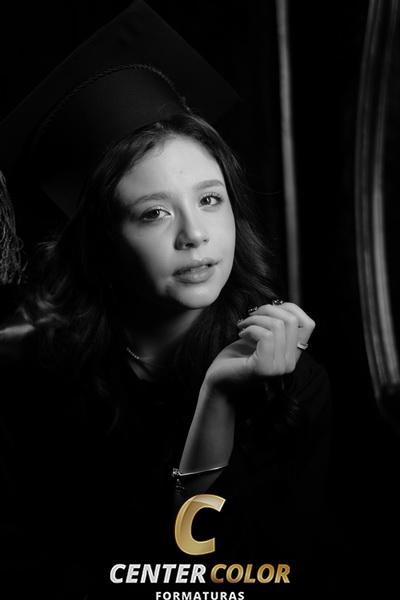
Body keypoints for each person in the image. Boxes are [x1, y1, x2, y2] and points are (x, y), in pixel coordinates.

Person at [0, 3, 332, 598]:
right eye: (154, 213)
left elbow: (223, 582)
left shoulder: (290, 383)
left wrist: (219, 397)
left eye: (209, 199)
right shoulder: (32, 382)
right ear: (100, 244)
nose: (195, 234)